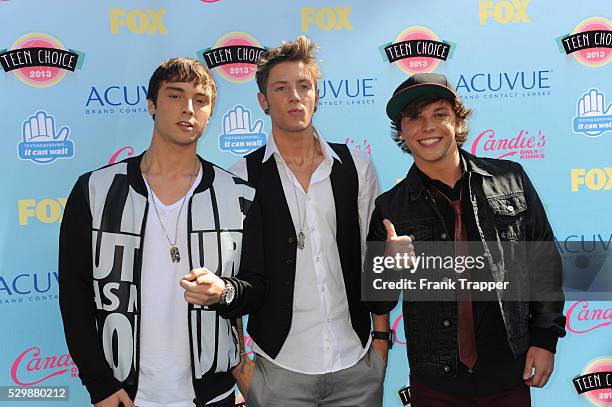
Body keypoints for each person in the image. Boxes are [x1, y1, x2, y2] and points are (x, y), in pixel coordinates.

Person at [59, 57, 265, 407]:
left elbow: (258, 287)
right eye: (175, 96)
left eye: (201, 100)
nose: (188, 108)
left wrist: (225, 291)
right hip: (125, 394)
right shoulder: (95, 190)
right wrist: (100, 385)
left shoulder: (240, 194)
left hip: (214, 395)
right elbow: (74, 294)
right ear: (152, 104)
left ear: (210, 113)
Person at [366, 73, 566, 406]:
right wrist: (388, 266)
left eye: (439, 114)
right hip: (435, 385)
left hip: (508, 373)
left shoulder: (510, 179)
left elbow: (543, 262)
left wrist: (545, 340)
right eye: (415, 118)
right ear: (401, 132)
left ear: (458, 121)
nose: (427, 127)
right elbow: (377, 301)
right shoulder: (390, 207)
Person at [227, 36, 389, 406]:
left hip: (356, 363)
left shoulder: (357, 168)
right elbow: (229, 277)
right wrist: (240, 366)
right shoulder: (240, 177)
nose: (295, 96)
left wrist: (380, 346)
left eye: (304, 86)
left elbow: (373, 258)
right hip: (277, 369)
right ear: (263, 102)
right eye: (281, 88)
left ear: (317, 95)